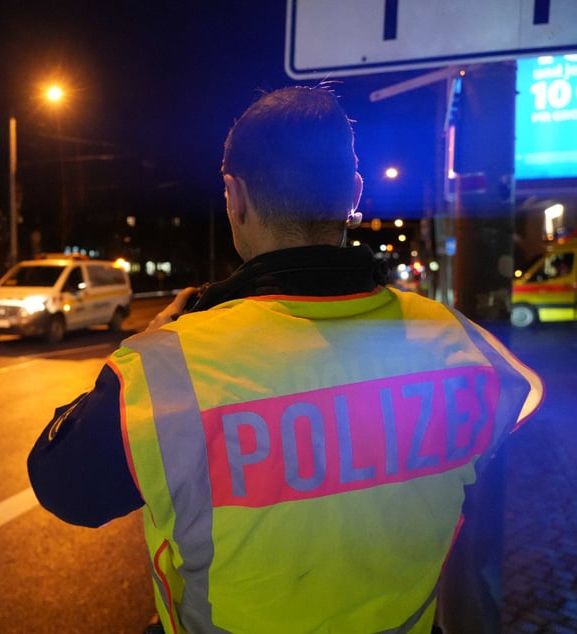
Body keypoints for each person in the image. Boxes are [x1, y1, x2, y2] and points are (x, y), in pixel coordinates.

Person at [27, 86, 544, 633]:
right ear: (354, 193)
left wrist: (143, 345)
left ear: (235, 196)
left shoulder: (164, 370)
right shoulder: (460, 346)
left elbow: (63, 485)